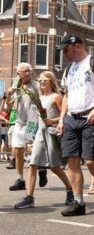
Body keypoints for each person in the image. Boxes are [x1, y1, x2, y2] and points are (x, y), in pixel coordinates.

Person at [56, 35, 94, 216]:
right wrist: (61, 118)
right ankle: (78, 202)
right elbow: (66, 95)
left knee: (90, 161)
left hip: (91, 117)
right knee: (72, 160)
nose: (64, 54)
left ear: (77, 46)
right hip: (71, 118)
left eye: (66, 50)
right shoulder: (68, 70)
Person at [14, 71, 74, 208]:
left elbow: (66, 116)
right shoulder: (38, 99)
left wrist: (52, 120)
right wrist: (29, 139)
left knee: (54, 167)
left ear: (51, 82)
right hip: (39, 136)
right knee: (32, 164)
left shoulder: (56, 97)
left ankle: (70, 189)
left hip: (52, 134)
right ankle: (29, 197)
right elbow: (33, 120)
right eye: (40, 80)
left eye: (44, 80)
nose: (41, 83)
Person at [6, 62, 40, 191]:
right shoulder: (16, 86)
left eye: (28, 71)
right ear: (18, 73)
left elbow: (42, 102)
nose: (27, 73)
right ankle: (20, 179)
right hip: (19, 121)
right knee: (18, 150)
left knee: (33, 150)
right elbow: (10, 107)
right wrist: (9, 94)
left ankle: (41, 169)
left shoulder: (36, 85)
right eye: (24, 71)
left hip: (32, 120)